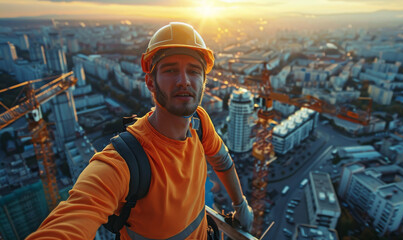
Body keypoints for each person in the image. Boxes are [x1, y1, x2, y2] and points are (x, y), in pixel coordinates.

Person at [26, 22, 253, 240]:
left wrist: (239, 204)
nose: (184, 80)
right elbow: (74, 216)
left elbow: (221, 159)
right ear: (150, 83)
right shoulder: (124, 162)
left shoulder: (200, 122)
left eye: (194, 71)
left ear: (204, 83)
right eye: (171, 69)